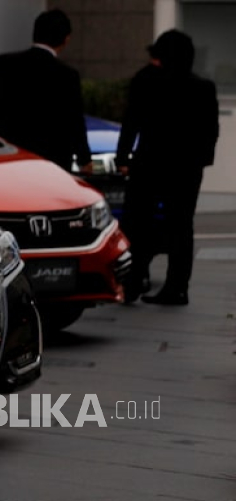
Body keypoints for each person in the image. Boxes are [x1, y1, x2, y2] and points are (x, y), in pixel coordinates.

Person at [116, 29, 219, 305]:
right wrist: (201, 161)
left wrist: (123, 157)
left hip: (149, 163)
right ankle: (177, 286)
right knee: (181, 227)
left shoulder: (146, 81)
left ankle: (134, 281)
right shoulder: (203, 88)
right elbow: (211, 131)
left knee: (137, 224)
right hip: (186, 168)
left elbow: (131, 121)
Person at [0, 8, 93, 174]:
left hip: (12, 159)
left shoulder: (5, 64)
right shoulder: (67, 75)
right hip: (53, 162)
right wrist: (84, 159)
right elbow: (75, 122)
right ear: (66, 39)